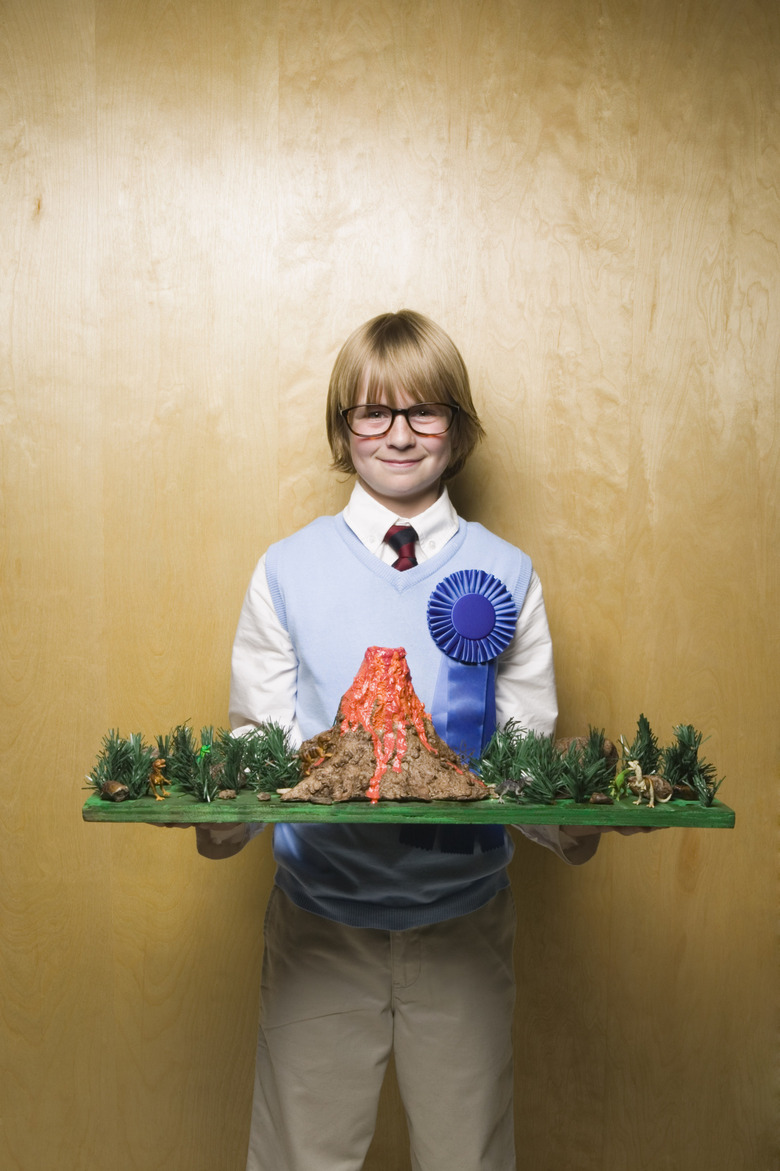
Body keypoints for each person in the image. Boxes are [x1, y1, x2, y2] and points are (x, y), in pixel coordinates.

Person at [198, 310, 611, 1171]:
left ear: (456, 428)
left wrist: (569, 830)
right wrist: (218, 823)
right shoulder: (285, 570)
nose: (398, 433)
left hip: (464, 928)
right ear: (343, 429)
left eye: (424, 411)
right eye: (373, 412)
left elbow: (520, 762)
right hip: (318, 926)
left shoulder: (507, 573)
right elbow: (262, 750)